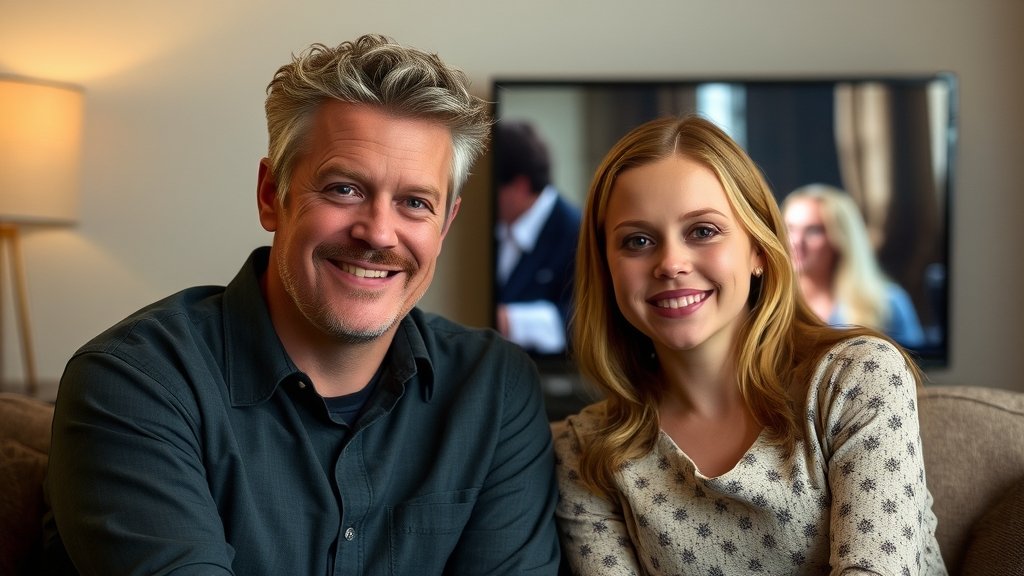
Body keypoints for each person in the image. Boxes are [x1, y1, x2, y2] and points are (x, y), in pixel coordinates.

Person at [42, 35, 560, 576]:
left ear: (445, 223)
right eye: (343, 189)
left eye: (414, 203)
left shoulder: (494, 388)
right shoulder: (134, 384)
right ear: (272, 194)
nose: (379, 233)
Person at [553, 115, 945, 574]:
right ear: (606, 267)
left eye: (702, 231)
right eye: (637, 241)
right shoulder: (585, 452)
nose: (671, 263)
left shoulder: (858, 378)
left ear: (758, 248)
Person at [782, 183, 926, 349]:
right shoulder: (768, 301)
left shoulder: (888, 303)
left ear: (841, 238)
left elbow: (911, 370)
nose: (796, 242)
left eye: (814, 230)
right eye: (789, 228)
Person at [494, 120, 581, 355]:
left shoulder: (580, 232)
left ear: (520, 186)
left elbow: (588, 320)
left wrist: (509, 321)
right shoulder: (495, 224)